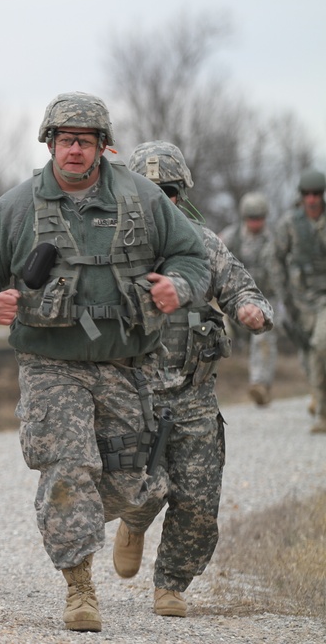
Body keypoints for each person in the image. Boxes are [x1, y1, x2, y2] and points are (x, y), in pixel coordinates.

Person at [0, 92, 210, 633]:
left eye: (85, 141)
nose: (74, 151)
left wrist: (178, 286)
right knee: (69, 467)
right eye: (65, 140)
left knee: (131, 481)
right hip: (51, 361)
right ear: (50, 144)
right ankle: (79, 588)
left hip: (123, 363)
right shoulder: (19, 206)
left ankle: (118, 521)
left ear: (101, 147)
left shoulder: (143, 200)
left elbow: (193, 255)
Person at [113, 140, 272, 618]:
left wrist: (252, 311)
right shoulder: (115, 247)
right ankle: (135, 521)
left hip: (195, 393)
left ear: (182, 195)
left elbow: (246, 288)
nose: (164, 202)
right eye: (151, 192)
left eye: (171, 193)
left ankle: (171, 586)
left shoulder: (204, 244)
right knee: (146, 487)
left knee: (200, 501)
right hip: (134, 394)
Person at [270, 168, 326, 433]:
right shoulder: (290, 224)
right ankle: (319, 401)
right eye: (307, 194)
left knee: (321, 344)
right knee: (310, 353)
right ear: (301, 196)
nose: (312, 199)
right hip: (302, 302)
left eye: (316, 194)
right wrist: (284, 300)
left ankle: (323, 412)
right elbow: (276, 259)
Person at [219, 191, 277, 405]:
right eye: (251, 218)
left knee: (263, 338)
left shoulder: (274, 239)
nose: (255, 223)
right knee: (219, 330)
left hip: (265, 299)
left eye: (259, 218)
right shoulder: (231, 237)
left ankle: (260, 385)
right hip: (234, 299)